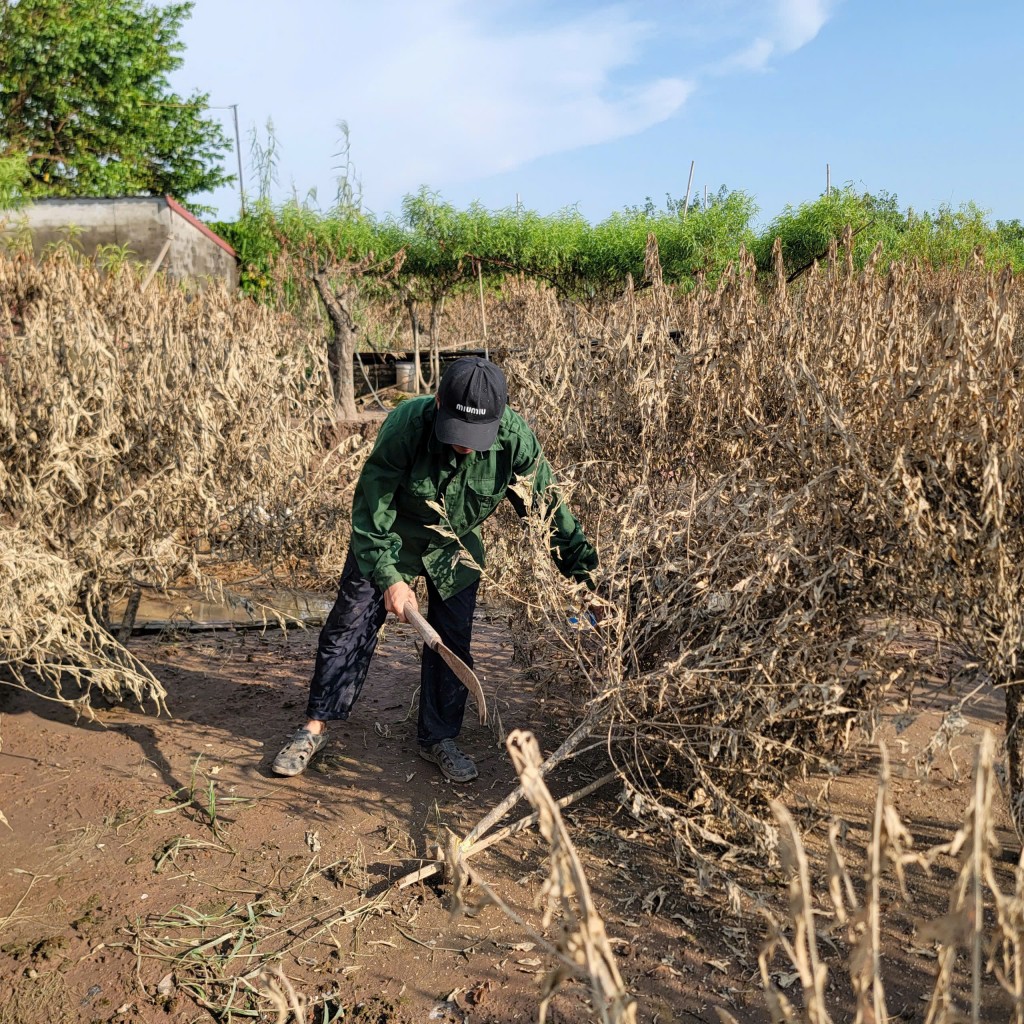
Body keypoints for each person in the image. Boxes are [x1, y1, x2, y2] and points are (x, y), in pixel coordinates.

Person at [272, 356, 599, 783]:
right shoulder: (407, 425)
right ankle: (314, 727)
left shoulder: (516, 441)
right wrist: (390, 577)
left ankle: (438, 738)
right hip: (391, 537)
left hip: (455, 545)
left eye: (476, 436)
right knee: (349, 625)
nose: (465, 446)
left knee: (453, 639)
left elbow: (552, 516)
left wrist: (589, 582)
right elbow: (373, 507)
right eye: (457, 433)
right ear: (440, 402)